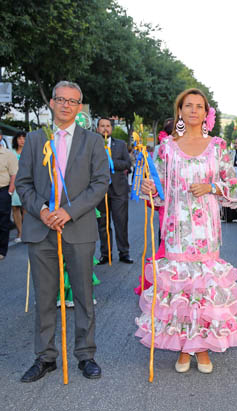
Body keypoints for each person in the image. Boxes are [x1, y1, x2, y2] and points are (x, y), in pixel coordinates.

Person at [137, 88, 237, 374]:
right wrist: (149, 188)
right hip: (176, 227)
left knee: (203, 288)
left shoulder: (218, 146)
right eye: (188, 106)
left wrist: (211, 187)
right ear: (180, 111)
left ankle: (201, 347)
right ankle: (184, 347)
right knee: (180, 289)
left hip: (206, 229)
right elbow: (158, 186)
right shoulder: (166, 148)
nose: (193, 111)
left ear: (205, 112)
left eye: (199, 106)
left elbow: (233, 184)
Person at [16, 81, 110, 382]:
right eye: (60, 99)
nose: (66, 105)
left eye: (73, 101)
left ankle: (86, 355)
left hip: (77, 228)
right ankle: (45, 357)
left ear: (79, 107)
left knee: (83, 295)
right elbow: (24, 183)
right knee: (45, 298)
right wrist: (42, 211)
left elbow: (100, 183)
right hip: (41, 228)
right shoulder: (33, 140)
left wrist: (68, 212)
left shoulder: (92, 141)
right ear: (52, 104)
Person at [95, 118, 133, 265]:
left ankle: (124, 253)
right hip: (100, 191)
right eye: (102, 126)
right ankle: (106, 254)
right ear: (97, 128)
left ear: (112, 128)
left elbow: (127, 164)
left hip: (119, 190)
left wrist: (110, 161)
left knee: (121, 223)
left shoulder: (121, 145)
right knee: (103, 224)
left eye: (108, 126)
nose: (105, 129)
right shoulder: (93, 145)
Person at [0, 136, 18, 259]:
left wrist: (10, 192)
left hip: (3, 191)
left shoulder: (8, 154)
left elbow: (14, 175)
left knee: (2, 221)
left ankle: (2, 250)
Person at [11, 131, 26, 243]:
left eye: (23, 138)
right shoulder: (11, 153)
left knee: (25, 208)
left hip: (27, 183)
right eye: (19, 138)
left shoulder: (30, 152)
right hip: (14, 183)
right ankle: (20, 232)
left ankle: (26, 231)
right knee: (15, 207)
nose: (21, 140)